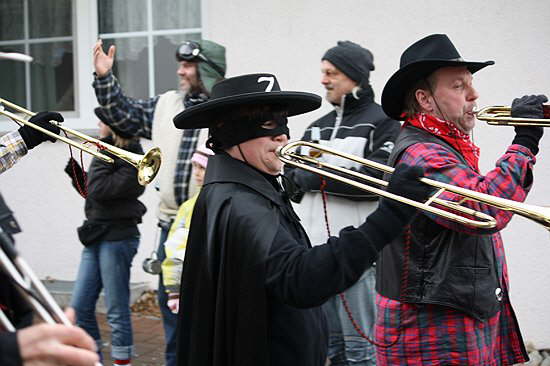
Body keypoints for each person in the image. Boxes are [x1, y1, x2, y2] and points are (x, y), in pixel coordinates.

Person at [171, 73, 434, 366]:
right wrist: (391, 215)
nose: (283, 135)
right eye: (267, 124)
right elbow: (300, 279)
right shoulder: (240, 202)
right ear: (230, 132)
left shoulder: (248, 187)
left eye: (283, 122)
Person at [374, 33, 545, 365]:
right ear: (425, 99)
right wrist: (525, 139)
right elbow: (487, 209)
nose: (474, 94)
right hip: (431, 326)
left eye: (470, 83)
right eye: (458, 86)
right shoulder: (421, 153)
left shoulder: (446, 145)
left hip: (457, 313)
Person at [92, 38, 226, 366]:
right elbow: (123, 116)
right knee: (173, 315)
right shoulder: (167, 103)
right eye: (180, 64)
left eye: (188, 65)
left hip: (213, 230)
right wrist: (105, 78)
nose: (180, 71)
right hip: (172, 229)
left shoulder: (228, 111)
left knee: (213, 316)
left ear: (207, 69)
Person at [285, 41, 400, 366]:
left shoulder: (383, 122)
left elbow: (376, 180)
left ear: (354, 76)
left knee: (362, 354)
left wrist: (314, 178)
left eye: (331, 73)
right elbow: (291, 174)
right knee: (327, 349)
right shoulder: (316, 125)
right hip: (316, 258)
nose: (323, 80)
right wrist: (296, 178)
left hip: (358, 262)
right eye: (323, 72)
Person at [65, 107, 147, 365]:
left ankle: (122, 360)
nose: (98, 123)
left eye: (102, 120)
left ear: (114, 125)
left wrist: (99, 152)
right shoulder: (107, 150)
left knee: (115, 309)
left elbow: (99, 189)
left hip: (119, 237)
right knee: (80, 308)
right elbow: (94, 193)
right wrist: (77, 173)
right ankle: (93, 358)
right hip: (97, 233)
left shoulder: (133, 156)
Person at [161, 144, 213, 314]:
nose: (196, 173)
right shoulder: (188, 207)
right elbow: (175, 249)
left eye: (203, 168)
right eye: (195, 167)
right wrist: (174, 290)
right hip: (192, 282)